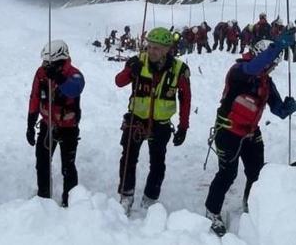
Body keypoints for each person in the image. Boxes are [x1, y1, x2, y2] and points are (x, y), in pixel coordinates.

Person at [204, 31, 296, 237]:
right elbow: (253, 68)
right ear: (260, 55)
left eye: (274, 65)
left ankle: (251, 205)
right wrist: (278, 46)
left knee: (256, 174)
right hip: (228, 130)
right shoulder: (239, 71)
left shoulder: (265, 82)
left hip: (251, 133)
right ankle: (212, 211)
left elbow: (278, 110)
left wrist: (288, 108)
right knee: (227, 174)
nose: (272, 68)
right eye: (271, 63)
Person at [115, 27, 191, 214]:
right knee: (128, 158)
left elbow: (186, 98)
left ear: (167, 49)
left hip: (162, 124)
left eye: (156, 48)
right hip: (136, 119)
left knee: (157, 162)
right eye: (149, 47)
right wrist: (130, 71)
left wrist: (183, 126)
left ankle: (150, 197)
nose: (151, 51)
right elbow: (119, 81)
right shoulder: (137, 62)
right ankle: (126, 194)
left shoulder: (179, 70)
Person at [26, 40, 85, 207]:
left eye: (48, 62)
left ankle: (70, 200)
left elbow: (74, 89)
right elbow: (35, 97)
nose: (44, 65)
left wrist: (58, 78)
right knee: (42, 161)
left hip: (68, 128)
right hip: (47, 125)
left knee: (68, 166)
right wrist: (30, 124)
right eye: (44, 62)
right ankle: (43, 196)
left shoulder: (75, 75)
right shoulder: (41, 73)